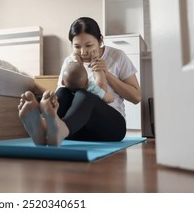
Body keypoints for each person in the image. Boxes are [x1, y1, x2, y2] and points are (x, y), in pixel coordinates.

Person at [18, 17, 141, 146]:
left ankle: (47, 128)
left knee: (84, 95)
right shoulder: (69, 62)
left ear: (100, 41)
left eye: (89, 45)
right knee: (62, 92)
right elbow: (61, 98)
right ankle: (45, 131)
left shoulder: (117, 56)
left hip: (110, 129)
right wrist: (76, 68)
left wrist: (107, 74)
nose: (83, 52)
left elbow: (136, 97)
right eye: (77, 46)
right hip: (75, 129)